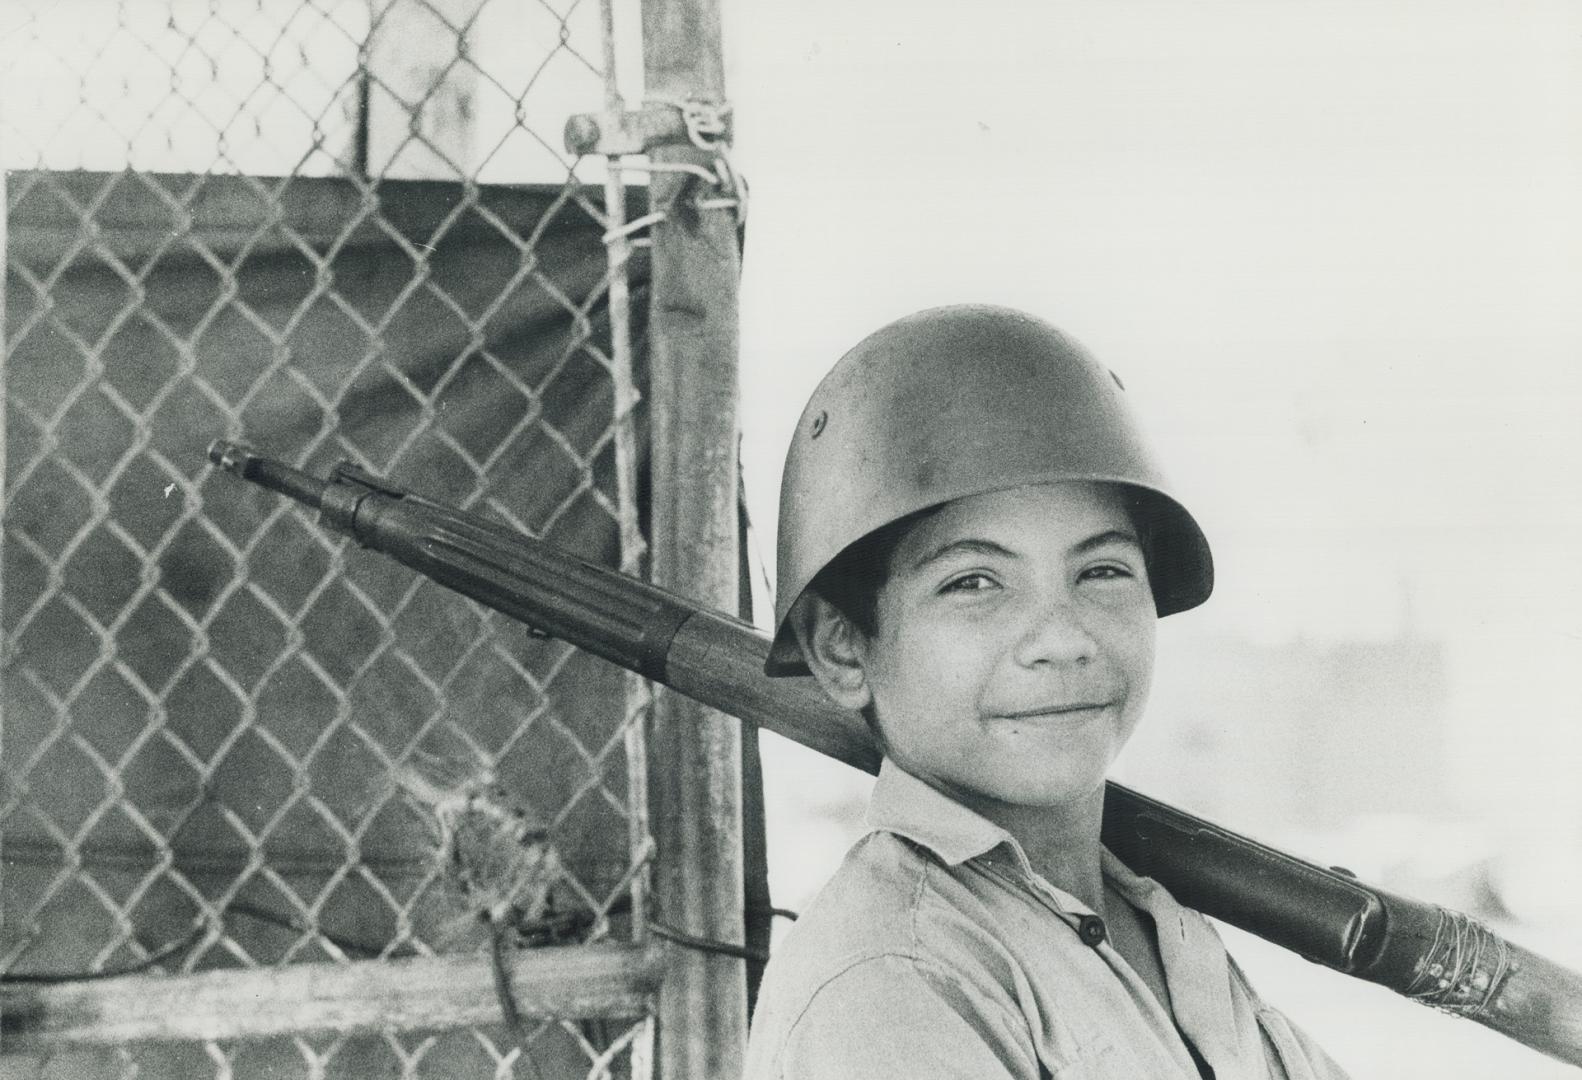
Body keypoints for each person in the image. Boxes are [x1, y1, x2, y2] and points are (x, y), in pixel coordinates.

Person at [744, 305, 1350, 1079]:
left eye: (1101, 571)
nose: (1063, 637)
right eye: (974, 583)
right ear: (842, 648)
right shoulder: (893, 978)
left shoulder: (1155, 915)